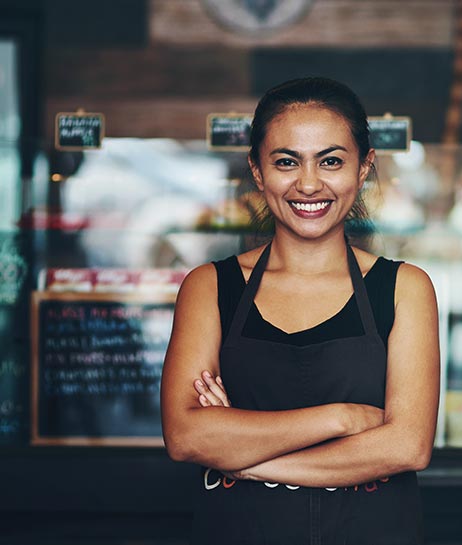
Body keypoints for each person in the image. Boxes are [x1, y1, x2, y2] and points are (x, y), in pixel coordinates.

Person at [161, 77, 440, 545]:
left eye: (330, 161)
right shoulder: (209, 286)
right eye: (286, 161)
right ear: (257, 171)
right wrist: (343, 420)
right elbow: (187, 437)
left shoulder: (404, 288)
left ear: (364, 167)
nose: (308, 184)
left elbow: (407, 446)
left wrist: (244, 459)